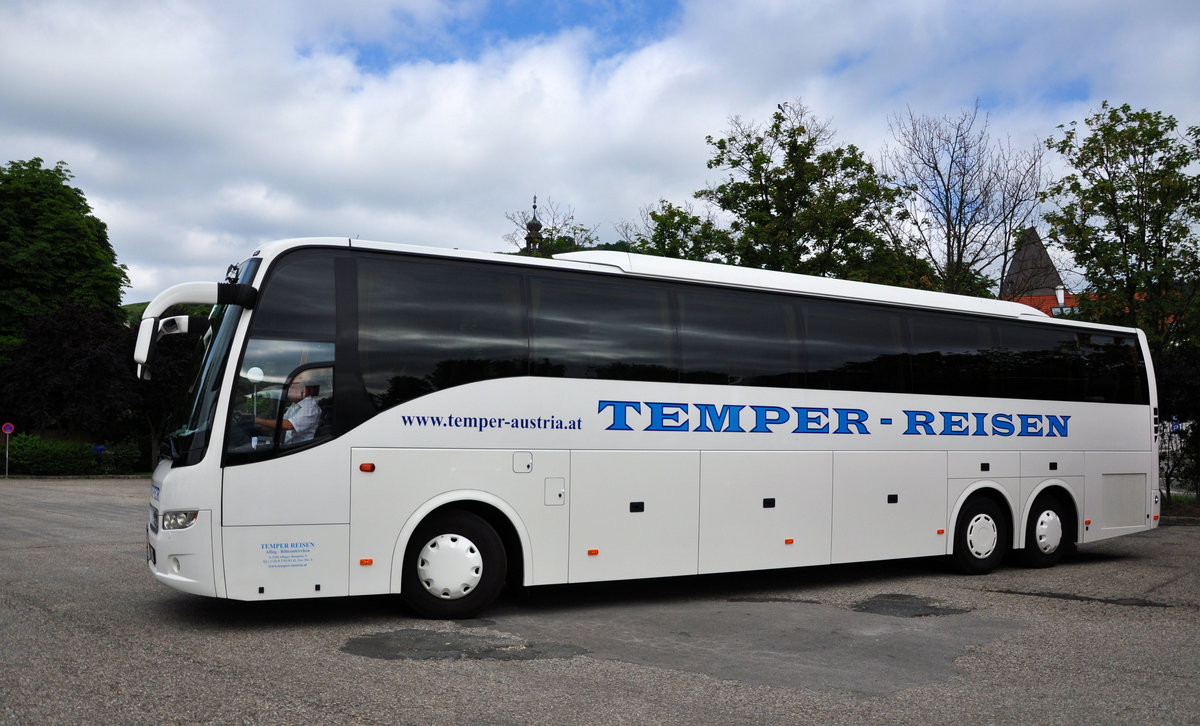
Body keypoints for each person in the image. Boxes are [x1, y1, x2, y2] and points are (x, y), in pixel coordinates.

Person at [255, 376, 321, 445]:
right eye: (289, 387)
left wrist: (259, 420)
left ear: (304, 391)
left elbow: (289, 425)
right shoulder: (295, 405)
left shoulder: (310, 407)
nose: (288, 390)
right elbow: (280, 423)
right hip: (290, 447)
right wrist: (259, 425)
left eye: (293, 388)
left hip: (302, 449)